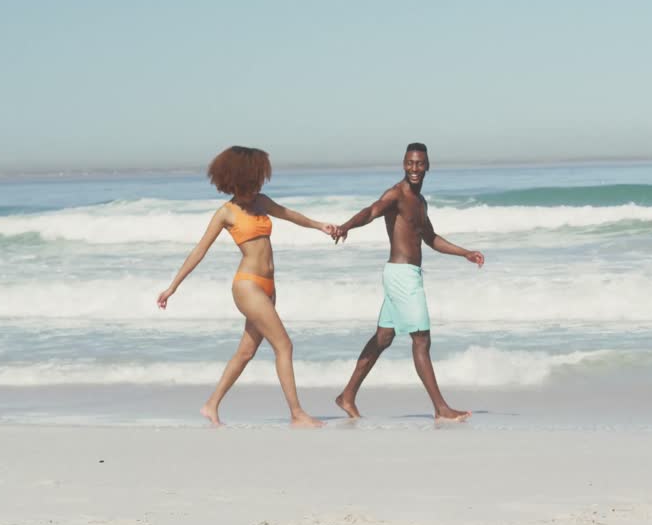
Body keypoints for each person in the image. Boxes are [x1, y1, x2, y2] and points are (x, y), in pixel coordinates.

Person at [157, 145, 332, 428]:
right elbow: (199, 251)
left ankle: (211, 405)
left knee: (246, 352)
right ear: (240, 179)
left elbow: (289, 214)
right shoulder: (226, 213)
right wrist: (172, 287)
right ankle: (297, 413)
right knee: (284, 345)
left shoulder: (261, 202)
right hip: (247, 286)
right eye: (255, 180)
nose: (259, 185)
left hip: (268, 286)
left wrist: (319, 225)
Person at [332, 142, 485, 421]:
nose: (414, 168)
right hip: (402, 276)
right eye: (410, 163)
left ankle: (347, 396)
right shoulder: (397, 194)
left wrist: (464, 253)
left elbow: (430, 238)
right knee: (421, 339)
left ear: (427, 166)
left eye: (420, 163)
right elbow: (371, 211)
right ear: (404, 164)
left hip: (403, 275)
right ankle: (441, 408)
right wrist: (346, 227)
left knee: (383, 337)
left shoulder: (421, 202)